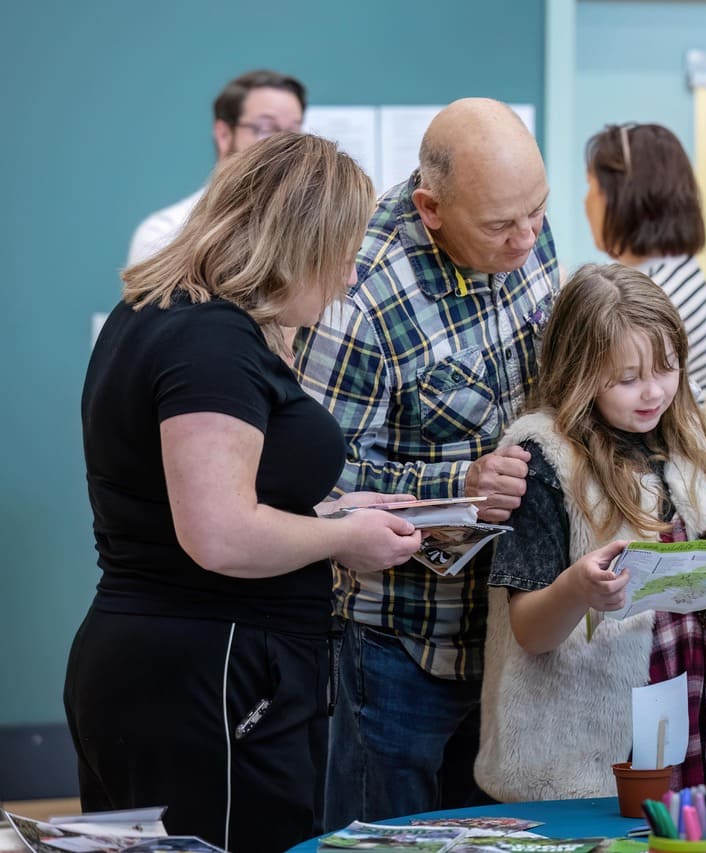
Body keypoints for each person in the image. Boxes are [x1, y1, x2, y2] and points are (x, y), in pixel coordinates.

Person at [67, 133, 424, 853]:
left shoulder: (158, 314)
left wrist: (337, 510)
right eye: (343, 254)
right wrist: (344, 537)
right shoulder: (211, 342)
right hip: (210, 674)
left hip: (172, 664)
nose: (349, 280)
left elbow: (211, 499)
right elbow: (220, 533)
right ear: (296, 241)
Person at [293, 98, 559, 826]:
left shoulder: (526, 225)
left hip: (514, 631)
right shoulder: (363, 293)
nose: (527, 239)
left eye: (538, 210)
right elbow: (316, 487)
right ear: (431, 207)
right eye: (502, 224)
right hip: (400, 645)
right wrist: (461, 484)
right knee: (390, 838)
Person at [473, 263, 706, 801]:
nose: (653, 392)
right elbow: (529, 631)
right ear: (577, 370)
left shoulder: (695, 448)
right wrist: (578, 590)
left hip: (690, 725)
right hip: (578, 761)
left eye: (667, 368)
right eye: (627, 378)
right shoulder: (541, 458)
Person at [584, 123, 706, 407]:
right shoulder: (679, 267)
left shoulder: (648, 297)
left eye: (592, 187)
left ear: (621, 198)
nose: (587, 202)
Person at [127, 69, 306, 264]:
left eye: (293, 132)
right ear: (223, 135)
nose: (284, 145)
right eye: (266, 128)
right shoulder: (164, 234)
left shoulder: (310, 230)